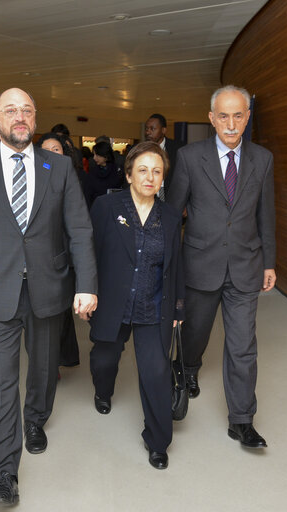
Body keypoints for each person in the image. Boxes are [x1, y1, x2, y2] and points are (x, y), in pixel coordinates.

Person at [0, 88, 98, 507]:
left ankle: (36, 419)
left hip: (48, 287)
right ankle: (4, 476)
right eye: (10, 110)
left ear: (35, 120)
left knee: (44, 368)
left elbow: (80, 229)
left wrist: (87, 283)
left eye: (27, 110)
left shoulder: (60, 166)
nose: (20, 116)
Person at [167, 85, 276, 449]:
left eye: (239, 115)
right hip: (200, 263)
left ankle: (242, 420)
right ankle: (189, 367)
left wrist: (269, 262)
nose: (231, 123)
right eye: (224, 116)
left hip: (246, 264)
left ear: (247, 117)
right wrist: (168, 265)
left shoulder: (263, 159)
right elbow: (172, 214)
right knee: (195, 334)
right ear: (212, 119)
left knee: (243, 346)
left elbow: (266, 215)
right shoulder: (189, 157)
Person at [87, 141, 185, 470]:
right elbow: (89, 252)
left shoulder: (171, 218)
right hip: (112, 302)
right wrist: (86, 291)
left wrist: (178, 311)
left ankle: (157, 441)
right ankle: (103, 390)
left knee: (157, 372)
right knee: (104, 359)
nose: (150, 177)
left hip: (152, 306)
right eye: (142, 170)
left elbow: (177, 266)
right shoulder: (105, 207)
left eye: (157, 172)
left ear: (162, 179)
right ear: (129, 174)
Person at [36, 132, 81, 367]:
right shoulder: (31, 181)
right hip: (42, 257)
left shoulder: (72, 178)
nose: (52, 154)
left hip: (67, 254)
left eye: (57, 149)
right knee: (48, 313)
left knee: (63, 311)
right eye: (47, 150)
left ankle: (62, 357)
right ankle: (50, 361)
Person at [144, 113, 184, 199]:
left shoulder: (178, 149)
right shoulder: (139, 150)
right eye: (146, 128)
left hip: (172, 199)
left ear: (163, 130)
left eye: (152, 129)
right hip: (147, 198)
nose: (148, 132)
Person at [83, 140, 124, 208]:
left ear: (105, 156)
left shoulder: (117, 171)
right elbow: (87, 195)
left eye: (97, 155)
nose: (94, 158)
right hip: (96, 209)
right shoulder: (93, 172)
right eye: (94, 155)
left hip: (113, 209)